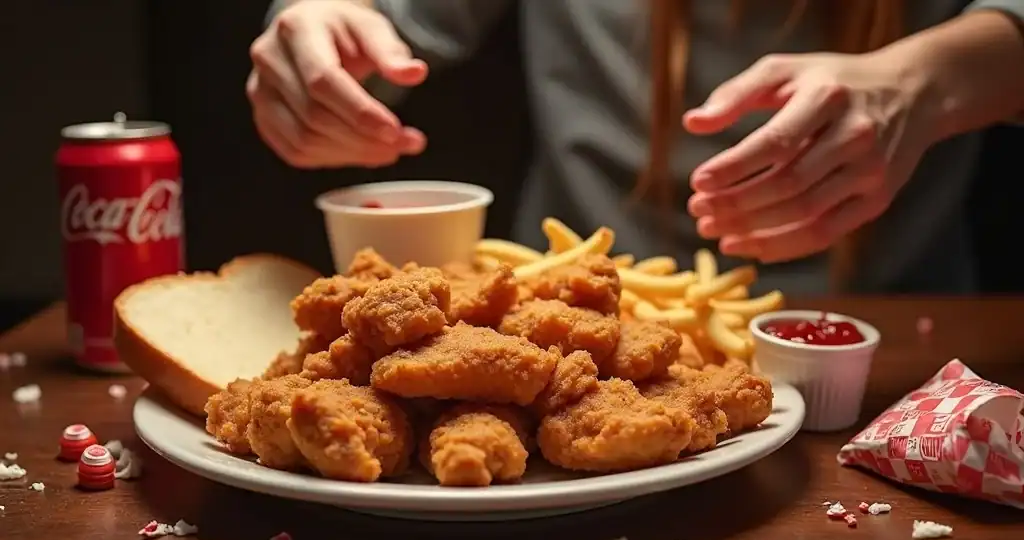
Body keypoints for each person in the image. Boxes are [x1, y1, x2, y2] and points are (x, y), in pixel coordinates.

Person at [247, 0, 1024, 295]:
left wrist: (928, 81)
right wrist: (320, 38)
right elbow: (366, 16)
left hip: (904, 352)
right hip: (556, 310)